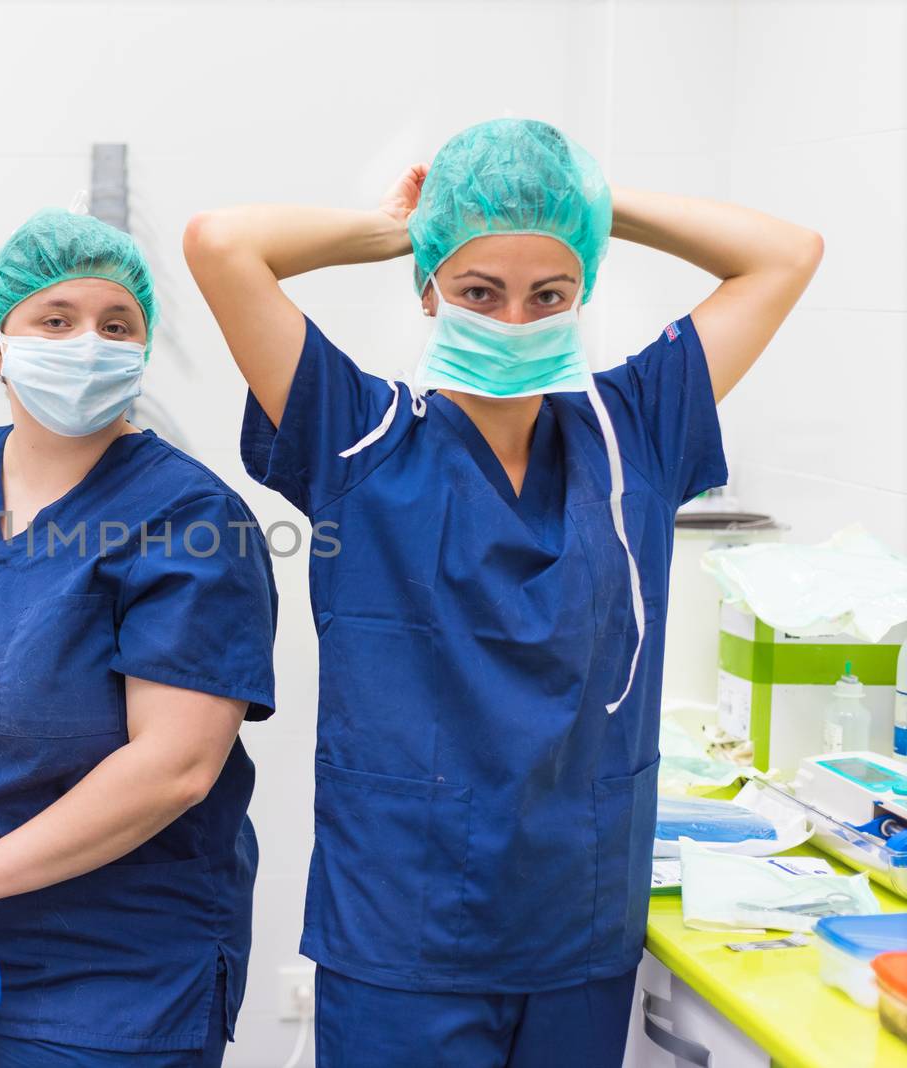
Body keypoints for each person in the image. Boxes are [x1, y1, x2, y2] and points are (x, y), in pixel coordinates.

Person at [183, 118, 822, 1067]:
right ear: (433, 291)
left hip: (579, 927)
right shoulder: (358, 435)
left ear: (582, 293)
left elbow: (786, 255)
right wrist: (410, 226)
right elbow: (221, 244)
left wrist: (588, 210)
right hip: (405, 934)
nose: (516, 320)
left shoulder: (633, 428)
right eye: (481, 290)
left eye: (549, 292)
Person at [0, 208, 279, 1067]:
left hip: (112, 968)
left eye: (116, 325)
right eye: (54, 321)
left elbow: (176, 766)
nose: (87, 344)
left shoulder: (191, 521)